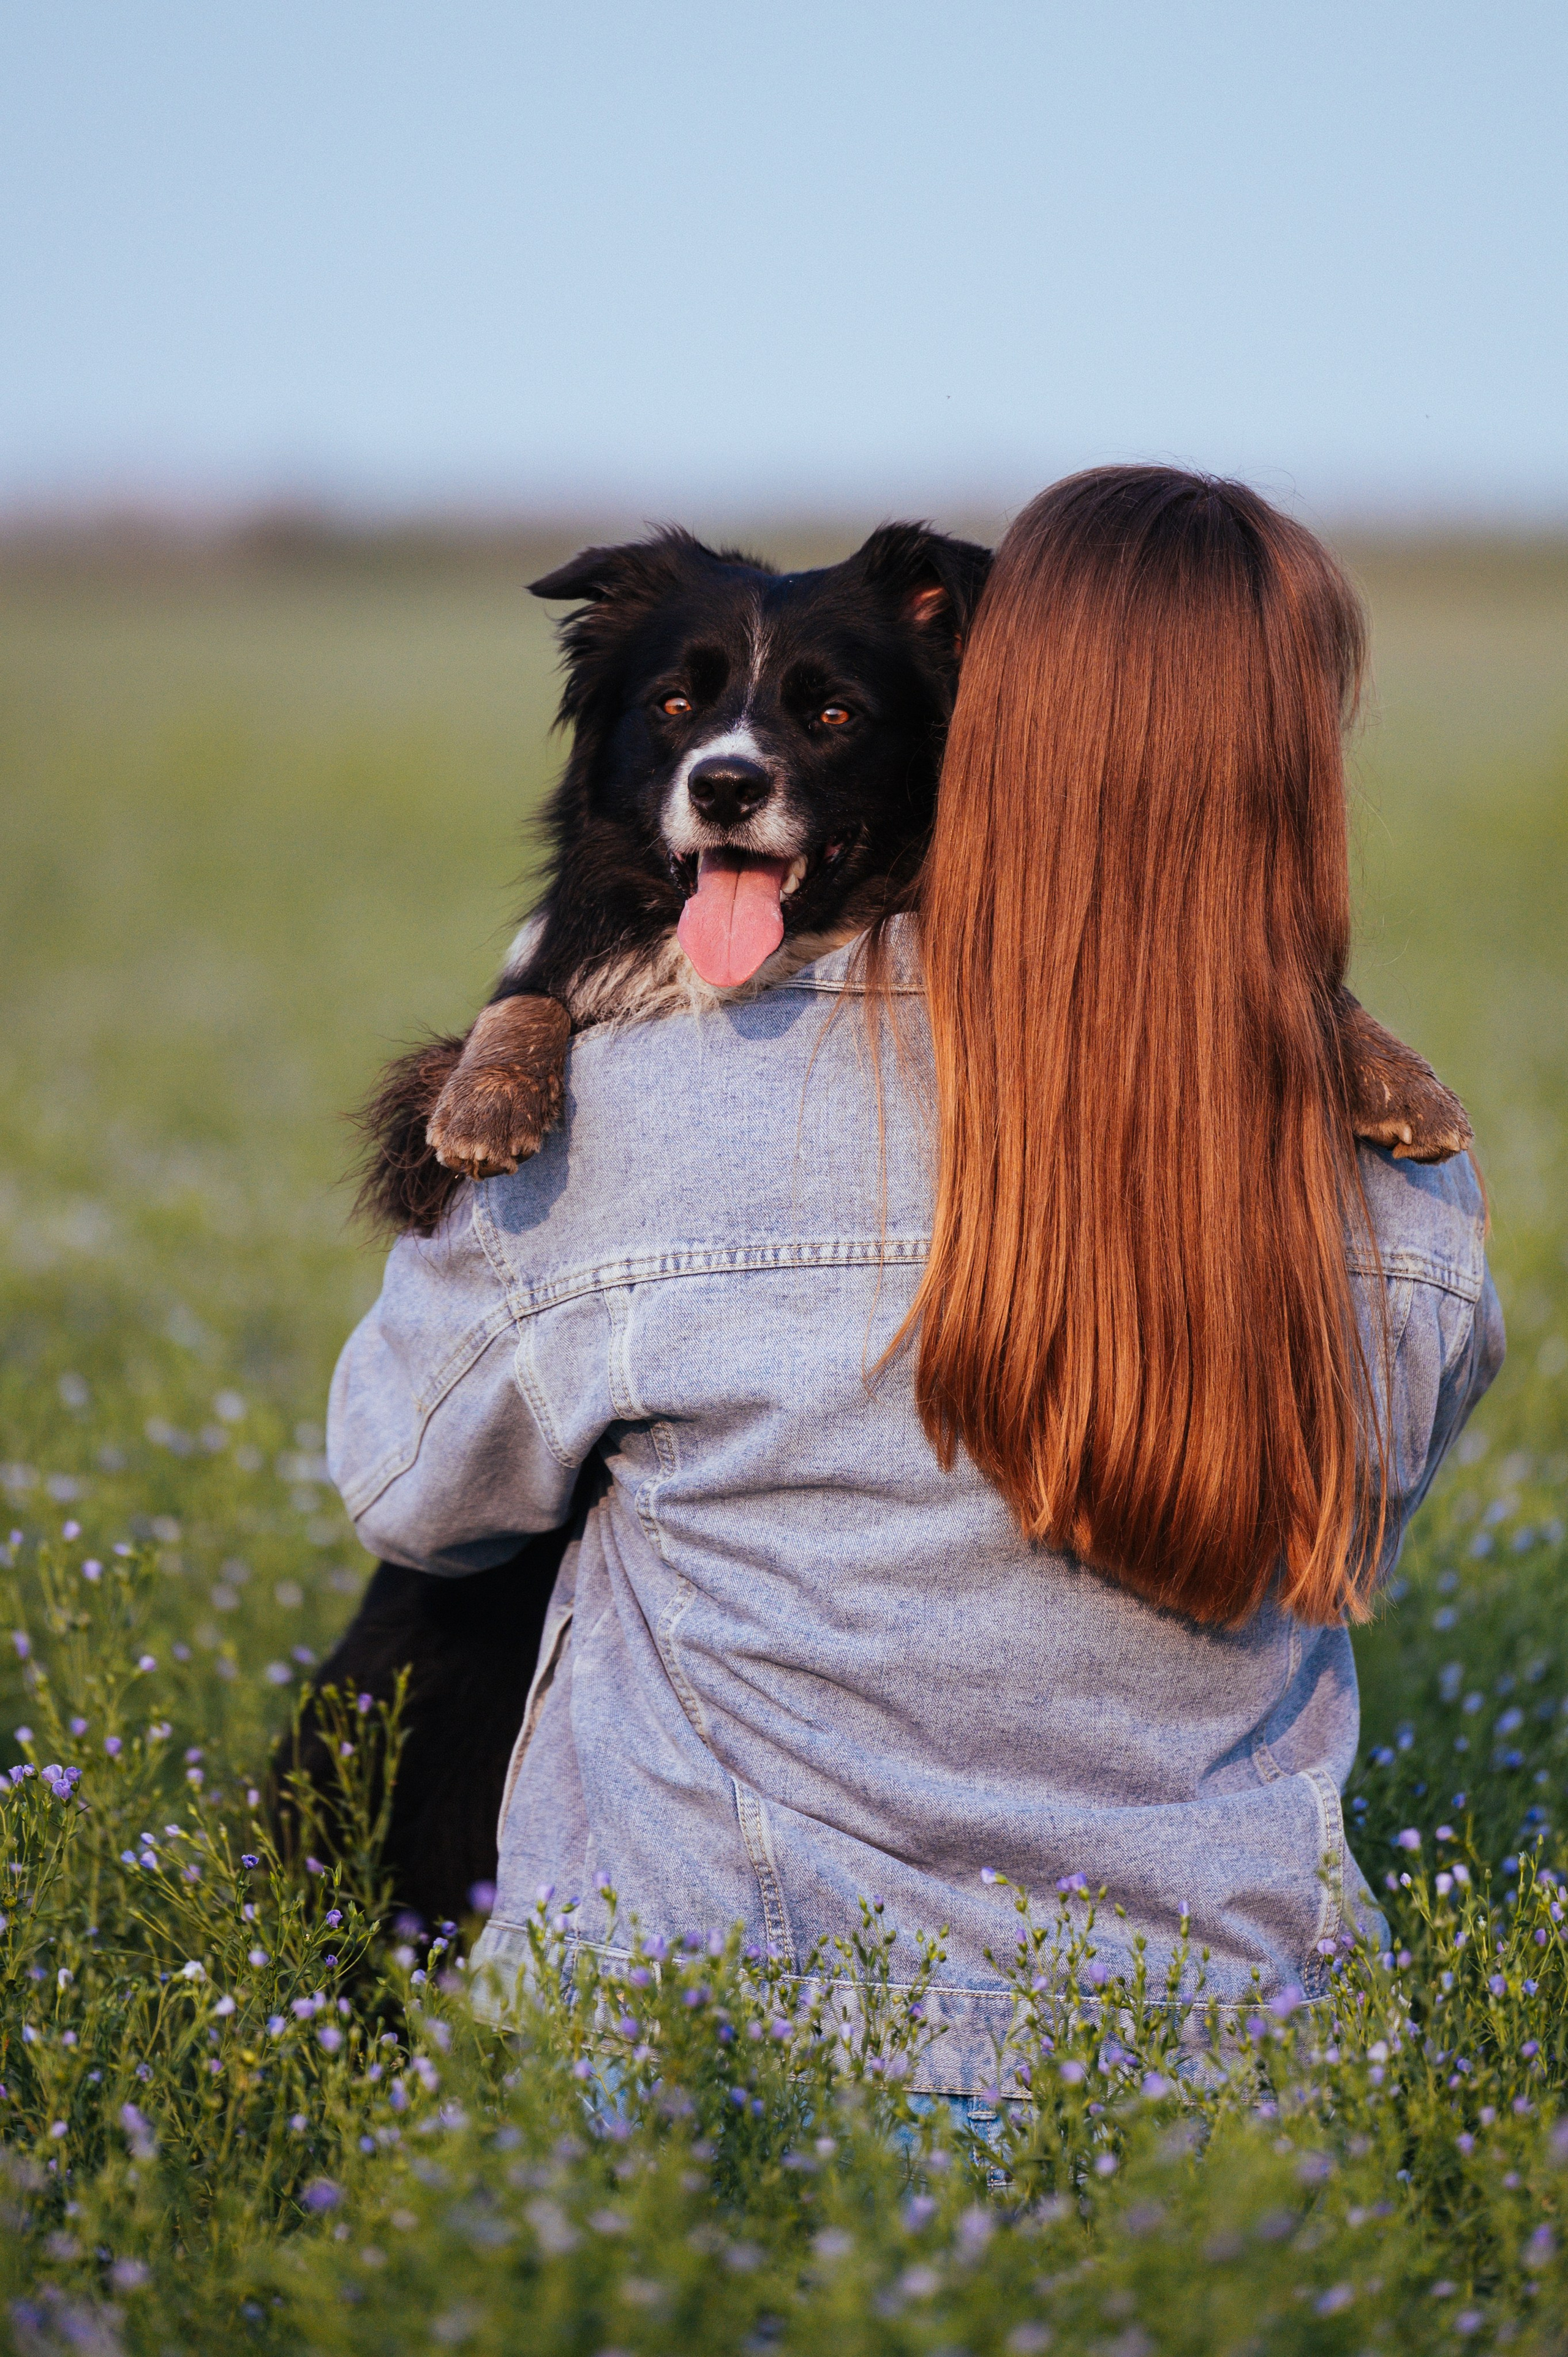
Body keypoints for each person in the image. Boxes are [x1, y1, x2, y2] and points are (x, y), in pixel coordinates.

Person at [326, 467, 1502, 2086]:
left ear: (984, 735)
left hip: (721, 2060)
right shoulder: (1404, 1165)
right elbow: (1356, 1521)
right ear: (1307, 784)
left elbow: (406, 1494)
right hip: (1236, 2081)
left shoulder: (639, 1116)